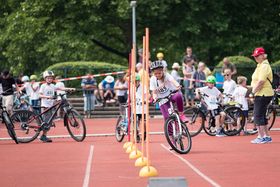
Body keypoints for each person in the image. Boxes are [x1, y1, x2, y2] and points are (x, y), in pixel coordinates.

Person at [39, 70, 73, 142]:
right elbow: (40, 95)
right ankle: (43, 136)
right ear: (45, 79)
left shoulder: (52, 85)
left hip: (51, 106)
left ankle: (43, 135)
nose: (50, 79)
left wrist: (69, 89)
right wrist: (48, 97)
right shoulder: (43, 86)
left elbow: (60, 89)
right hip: (45, 106)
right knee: (46, 122)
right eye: (48, 78)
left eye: (51, 78)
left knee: (48, 122)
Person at [250, 47, 273, 144]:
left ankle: (261, 136)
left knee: (257, 115)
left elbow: (261, 81)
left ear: (263, 55)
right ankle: (266, 136)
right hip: (263, 93)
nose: (256, 58)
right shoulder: (261, 65)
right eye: (255, 56)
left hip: (262, 93)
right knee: (261, 115)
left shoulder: (264, 66)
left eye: (257, 56)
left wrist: (253, 92)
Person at [135, 74, 147, 142]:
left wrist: (145, 100)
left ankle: (145, 133)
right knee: (136, 122)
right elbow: (130, 95)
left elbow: (148, 94)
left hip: (142, 107)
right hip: (135, 107)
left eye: (137, 81)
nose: (136, 82)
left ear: (139, 81)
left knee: (144, 122)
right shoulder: (132, 87)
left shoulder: (143, 87)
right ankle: (137, 135)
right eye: (135, 81)